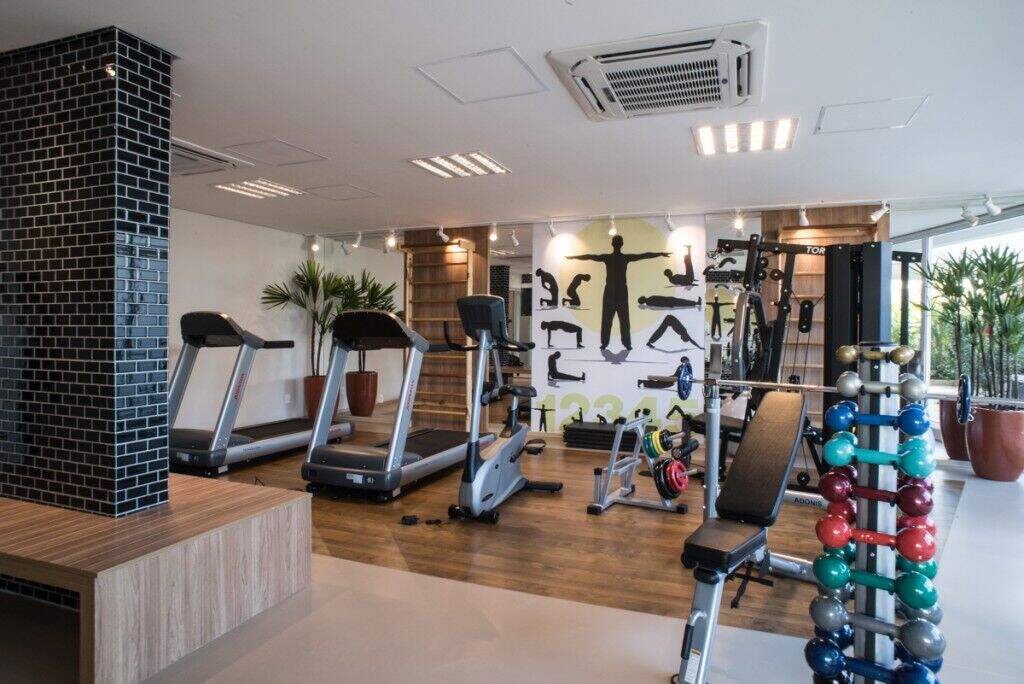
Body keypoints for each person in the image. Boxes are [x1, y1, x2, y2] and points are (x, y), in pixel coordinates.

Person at [567, 235, 670, 350]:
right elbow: (643, 255)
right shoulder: (623, 258)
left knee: (611, 320)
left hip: (613, 293)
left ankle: (610, 343)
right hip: (617, 293)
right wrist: (660, 254)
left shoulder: (610, 258)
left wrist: (574, 257)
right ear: (622, 244)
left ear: (613, 244)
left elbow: (590, 257)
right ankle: (623, 344)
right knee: (621, 320)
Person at [638, 295, 702, 309]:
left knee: (683, 303)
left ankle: (696, 303)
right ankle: (696, 303)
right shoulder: (650, 299)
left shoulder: (649, 303)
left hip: (668, 303)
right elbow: (661, 299)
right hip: (669, 301)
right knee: (683, 302)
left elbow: (659, 304)